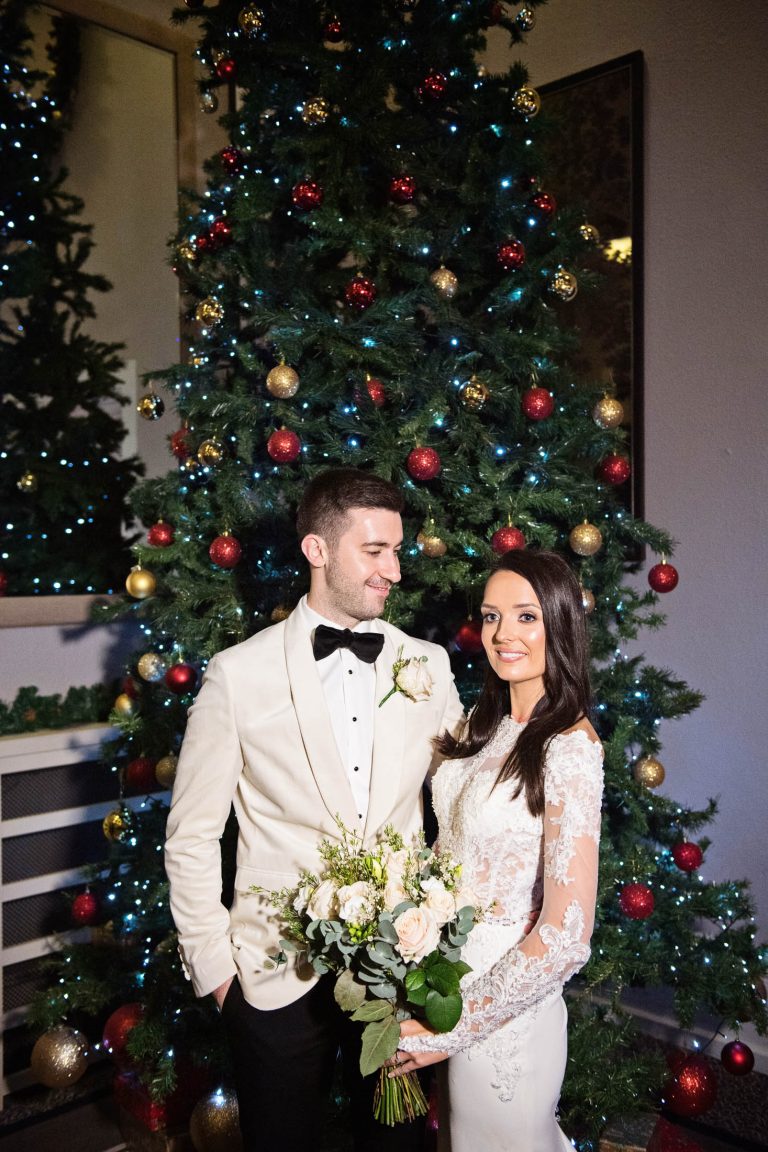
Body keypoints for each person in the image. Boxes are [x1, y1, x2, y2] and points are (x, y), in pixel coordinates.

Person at [164, 467, 464, 1152]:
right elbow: (190, 836)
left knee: (399, 1144)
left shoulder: (429, 665)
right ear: (318, 550)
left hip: (398, 973)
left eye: (397, 550)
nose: (394, 569)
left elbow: (463, 797)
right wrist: (217, 975)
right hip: (272, 979)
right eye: (375, 550)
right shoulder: (237, 674)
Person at [391, 549, 604, 1152]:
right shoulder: (475, 727)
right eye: (490, 617)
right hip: (442, 982)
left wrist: (456, 1025)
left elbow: (567, 933)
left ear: (559, 624)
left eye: (525, 617)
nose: (503, 634)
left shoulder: (569, 748)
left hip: (505, 1017)